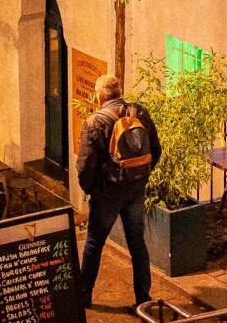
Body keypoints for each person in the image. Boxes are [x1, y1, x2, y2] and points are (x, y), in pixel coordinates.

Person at [76, 74, 161, 310]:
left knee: (94, 242)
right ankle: (143, 298)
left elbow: (85, 165)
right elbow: (156, 149)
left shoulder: (95, 122)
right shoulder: (140, 113)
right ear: (119, 91)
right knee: (137, 243)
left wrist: (92, 189)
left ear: (100, 96)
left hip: (107, 192)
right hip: (135, 189)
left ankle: (83, 296)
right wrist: (140, 177)